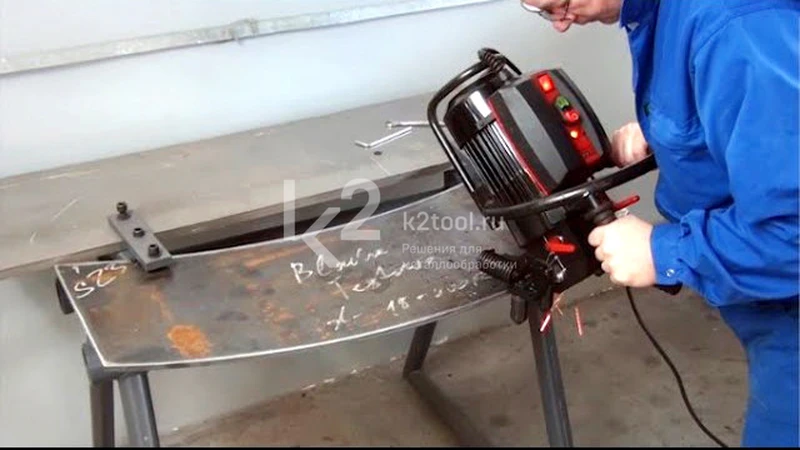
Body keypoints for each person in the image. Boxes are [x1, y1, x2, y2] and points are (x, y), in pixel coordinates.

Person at [520, 0, 800, 447]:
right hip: (761, 299)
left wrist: (662, 251)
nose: (561, 26)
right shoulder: (664, 14)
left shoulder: (736, 28)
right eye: (545, 12)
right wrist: (671, 129)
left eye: (563, 5)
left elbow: (793, 232)